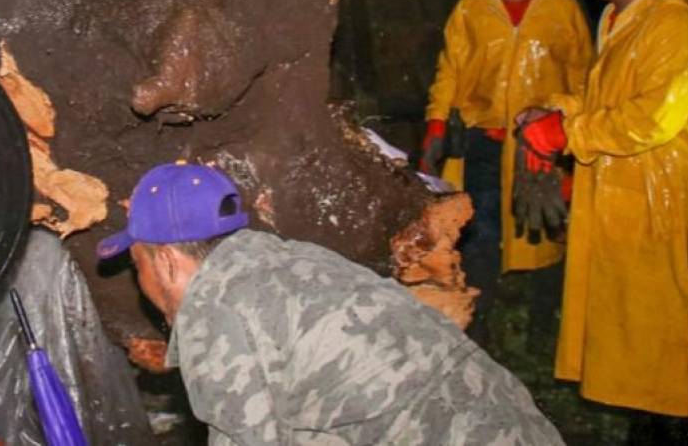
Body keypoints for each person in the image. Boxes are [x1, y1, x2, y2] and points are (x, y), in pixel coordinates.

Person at [97, 161, 564, 445]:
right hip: (511, 423)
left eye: (136, 263)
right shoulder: (286, 261)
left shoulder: (214, 314)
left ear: (167, 260)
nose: (138, 280)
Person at [515, 0, 688, 444]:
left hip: (660, 211)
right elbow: (608, 104)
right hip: (623, 205)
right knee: (636, 356)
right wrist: (554, 110)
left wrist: (567, 131)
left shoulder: (675, 24)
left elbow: (654, 117)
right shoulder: (618, 18)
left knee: (662, 361)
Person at [420, 0, 592, 340]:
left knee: (544, 227)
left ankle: (542, 322)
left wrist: (567, 121)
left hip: (541, 142)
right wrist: (437, 123)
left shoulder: (562, 9)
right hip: (484, 138)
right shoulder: (472, 7)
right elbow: (451, 70)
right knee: (480, 230)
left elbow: (584, 77)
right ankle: (479, 323)